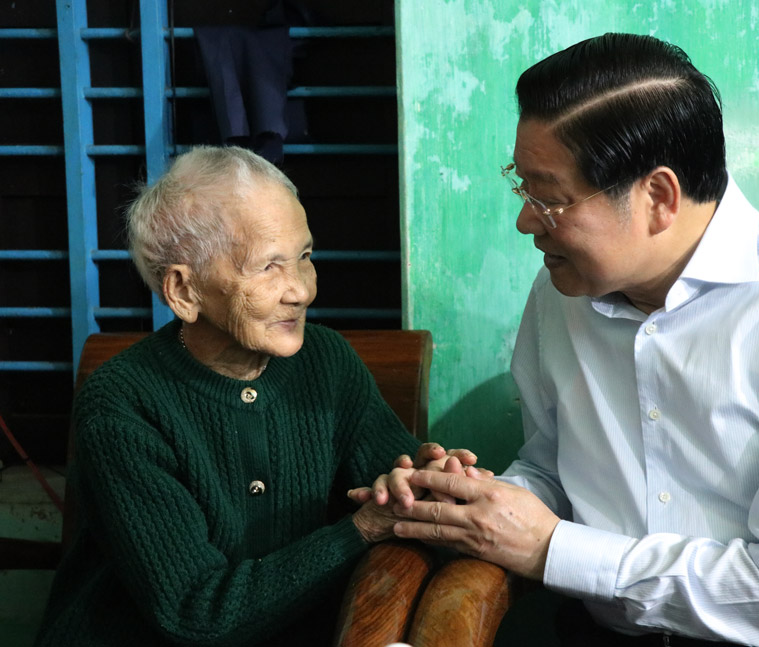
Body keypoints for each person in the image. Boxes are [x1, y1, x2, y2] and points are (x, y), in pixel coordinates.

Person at [370, 33, 759, 647]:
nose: (525, 220)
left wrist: (551, 548)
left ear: (658, 196)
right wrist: (473, 499)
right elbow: (554, 466)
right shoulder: (560, 292)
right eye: (521, 189)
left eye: (548, 199)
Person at [34, 145, 477, 646]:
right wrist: (361, 529)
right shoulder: (122, 404)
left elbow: (391, 484)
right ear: (183, 290)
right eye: (268, 267)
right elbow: (194, 612)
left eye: (304, 257)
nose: (302, 291)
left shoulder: (325, 360)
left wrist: (428, 481)